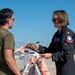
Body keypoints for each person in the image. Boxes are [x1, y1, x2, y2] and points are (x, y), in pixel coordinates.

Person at [25, 10, 75, 75]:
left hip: (67, 69)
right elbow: (50, 49)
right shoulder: (57, 34)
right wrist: (38, 48)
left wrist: (51, 55)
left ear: (61, 19)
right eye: (52, 20)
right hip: (59, 67)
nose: (53, 22)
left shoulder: (67, 34)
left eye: (55, 20)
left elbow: (68, 54)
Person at [0, 8, 28, 75]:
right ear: (8, 21)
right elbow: (8, 59)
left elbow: (2, 51)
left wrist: (17, 50)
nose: (14, 21)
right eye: (13, 19)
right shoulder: (8, 35)